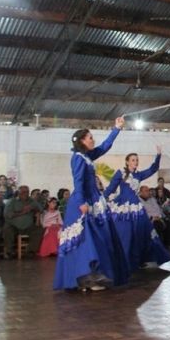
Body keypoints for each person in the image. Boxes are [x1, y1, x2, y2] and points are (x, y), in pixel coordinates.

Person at [53, 119, 130, 291]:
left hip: (93, 200)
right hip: (83, 202)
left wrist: (117, 128)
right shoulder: (78, 158)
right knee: (88, 241)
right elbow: (78, 181)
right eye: (90, 138)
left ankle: (91, 278)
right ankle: (87, 279)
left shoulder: (87, 156)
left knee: (97, 238)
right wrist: (82, 202)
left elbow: (104, 147)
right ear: (82, 141)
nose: (92, 140)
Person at [104, 149, 170, 270]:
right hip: (123, 207)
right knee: (125, 234)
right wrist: (101, 199)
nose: (135, 162)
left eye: (137, 160)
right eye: (133, 160)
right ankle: (123, 261)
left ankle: (138, 259)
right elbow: (111, 188)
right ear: (127, 162)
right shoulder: (120, 173)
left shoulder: (139, 175)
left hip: (136, 207)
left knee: (141, 232)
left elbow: (153, 169)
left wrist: (158, 155)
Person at [2, 186, 42, 258]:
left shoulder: (31, 201)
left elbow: (41, 209)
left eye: (27, 192)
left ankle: (30, 251)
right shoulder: (12, 201)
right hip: (14, 226)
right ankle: (9, 251)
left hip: (28, 226)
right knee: (7, 229)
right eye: (23, 192)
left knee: (39, 229)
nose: (25, 194)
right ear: (19, 193)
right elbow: (8, 215)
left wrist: (32, 207)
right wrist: (22, 212)